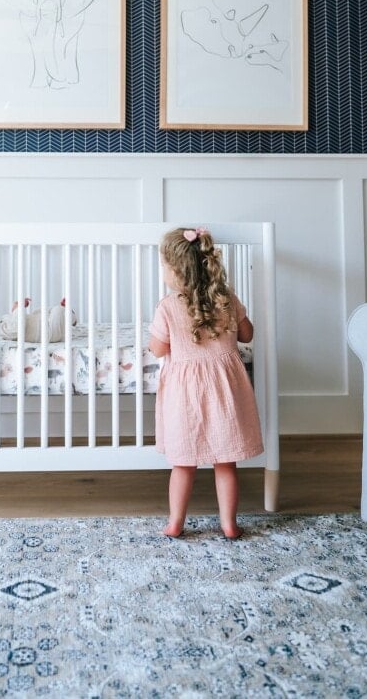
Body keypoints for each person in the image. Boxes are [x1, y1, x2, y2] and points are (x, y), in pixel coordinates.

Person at [148, 226, 264, 541]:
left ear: (174, 270)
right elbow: (247, 335)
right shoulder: (226, 299)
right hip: (225, 391)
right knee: (225, 463)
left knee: (183, 464)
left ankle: (175, 523)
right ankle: (229, 524)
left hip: (185, 396)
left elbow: (157, 349)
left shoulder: (168, 306)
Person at [0, 298, 76, 343]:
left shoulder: (1, 321)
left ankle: (68, 318)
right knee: (58, 311)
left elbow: (16, 319)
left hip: (45, 323)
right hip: (49, 332)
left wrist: (16, 310)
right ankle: (70, 316)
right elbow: (17, 328)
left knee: (39, 310)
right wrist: (18, 309)